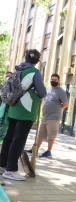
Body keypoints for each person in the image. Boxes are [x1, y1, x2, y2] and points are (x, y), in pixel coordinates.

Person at [0, 49, 47, 181]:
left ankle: (2, 166)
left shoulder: (18, 69)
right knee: (18, 140)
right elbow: (42, 92)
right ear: (37, 60)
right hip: (26, 110)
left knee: (9, 138)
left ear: (25, 57)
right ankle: (10, 170)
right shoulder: (35, 72)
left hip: (13, 108)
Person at [25, 73, 68, 158]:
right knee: (41, 134)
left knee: (51, 135)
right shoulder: (47, 89)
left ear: (58, 81)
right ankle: (35, 149)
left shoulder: (61, 91)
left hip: (53, 117)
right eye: (52, 79)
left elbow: (65, 104)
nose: (53, 81)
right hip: (44, 116)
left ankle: (49, 151)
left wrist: (57, 109)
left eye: (55, 80)